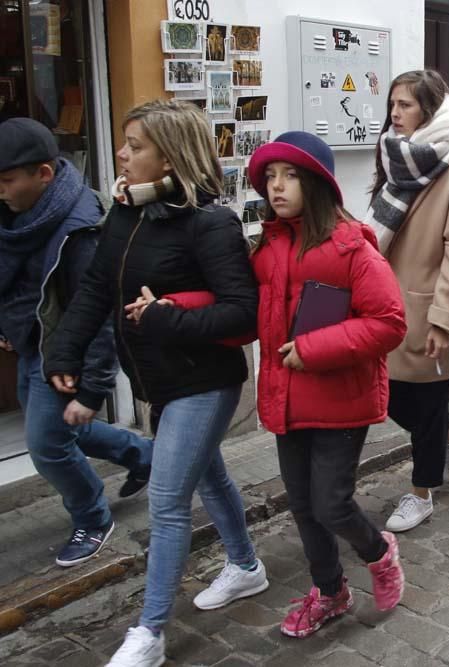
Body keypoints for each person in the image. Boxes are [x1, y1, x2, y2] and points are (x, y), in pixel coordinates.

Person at [44, 99, 267, 667]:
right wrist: (65, 348)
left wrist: (167, 317)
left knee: (168, 501)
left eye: (136, 145)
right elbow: (96, 289)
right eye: (125, 142)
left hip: (204, 381)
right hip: (157, 381)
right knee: (210, 478)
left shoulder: (210, 222)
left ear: (171, 155)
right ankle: (246, 567)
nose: (121, 153)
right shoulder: (127, 212)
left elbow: (245, 314)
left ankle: (150, 632)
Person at [246, 131, 406, 637]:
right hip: (285, 402)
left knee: (330, 503)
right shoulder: (267, 250)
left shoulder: (350, 246)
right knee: (303, 507)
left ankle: (379, 555)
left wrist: (314, 349)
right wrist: (174, 309)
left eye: (289, 175)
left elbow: (388, 321)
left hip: (341, 401)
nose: (277, 186)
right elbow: (239, 310)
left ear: (317, 183)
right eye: (269, 177)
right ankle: (331, 592)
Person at [0, 118, 153, 568]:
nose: (1, 191)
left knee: (47, 445)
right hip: (31, 344)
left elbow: (102, 312)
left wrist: (93, 384)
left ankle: (93, 516)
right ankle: (144, 454)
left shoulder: (83, 225)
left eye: (8, 181)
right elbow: (20, 286)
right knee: (65, 430)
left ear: (43, 174)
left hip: (65, 354)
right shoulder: (13, 218)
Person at [364, 70, 449, 532]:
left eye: (407, 104)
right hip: (387, 307)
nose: (395, 112)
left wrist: (444, 319)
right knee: (392, 400)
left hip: (429, 312)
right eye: (393, 103)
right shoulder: (394, 156)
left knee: (428, 408)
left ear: (430, 110)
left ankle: (421, 492)